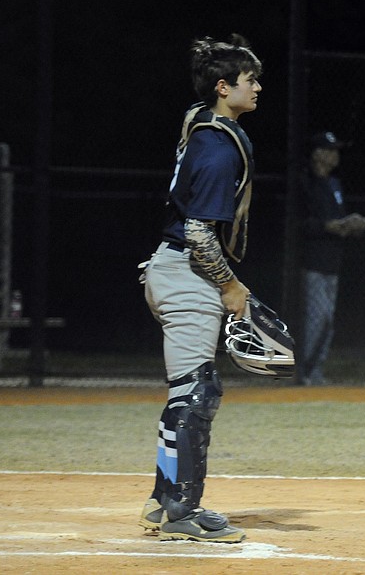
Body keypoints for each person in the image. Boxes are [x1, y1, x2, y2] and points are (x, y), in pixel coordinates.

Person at [137, 34, 263, 541]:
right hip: (189, 274)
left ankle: (161, 500)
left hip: (171, 271)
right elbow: (198, 234)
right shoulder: (216, 150)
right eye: (249, 80)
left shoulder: (203, 121)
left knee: (189, 390)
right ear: (222, 87)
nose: (257, 87)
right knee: (196, 393)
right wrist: (231, 288)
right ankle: (182, 512)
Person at [295, 131, 365, 386]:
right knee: (317, 318)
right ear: (318, 153)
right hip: (313, 261)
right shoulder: (305, 182)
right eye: (330, 150)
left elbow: (336, 218)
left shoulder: (334, 184)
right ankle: (304, 372)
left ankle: (315, 371)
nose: (334, 155)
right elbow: (299, 224)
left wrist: (350, 225)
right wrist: (327, 226)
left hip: (333, 261)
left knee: (327, 320)